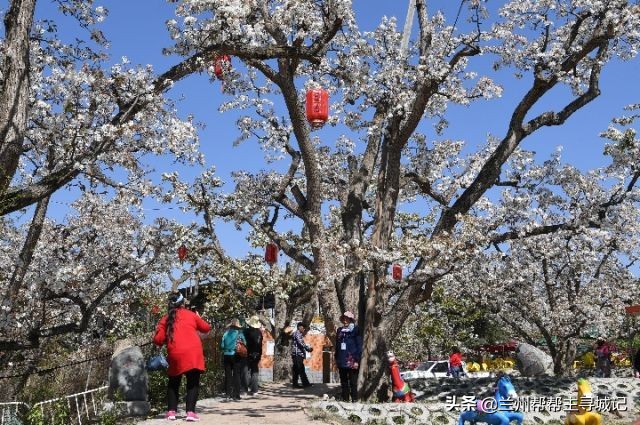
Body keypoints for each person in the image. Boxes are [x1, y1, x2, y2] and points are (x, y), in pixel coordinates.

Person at [153, 292, 211, 422]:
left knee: (173, 382)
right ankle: (190, 412)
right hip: (193, 352)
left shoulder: (165, 319)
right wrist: (198, 317)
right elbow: (206, 328)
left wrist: (159, 332)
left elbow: (158, 340)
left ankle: (171, 412)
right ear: (183, 303)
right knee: (193, 382)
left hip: (175, 353)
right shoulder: (191, 315)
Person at [335, 311, 362, 402]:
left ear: (351, 319)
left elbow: (359, 345)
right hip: (341, 359)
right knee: (343, 381)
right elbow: (337, 345)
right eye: (344, 318)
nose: (345, 320)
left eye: (347, 318)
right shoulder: (339, 330)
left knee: (353, 382)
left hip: (352, 359)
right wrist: (336, 358)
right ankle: (345, 399)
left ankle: (354, 399)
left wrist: (357, 360)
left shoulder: (356, 329)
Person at [221, 318, 247, 400]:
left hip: (226, 355)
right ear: (237, 326)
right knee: (236, 375)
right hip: (236, 355)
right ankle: (236, 395)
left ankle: (228, 394)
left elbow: (222, 346)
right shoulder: (239, 334)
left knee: (228, 375)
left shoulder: (225, 333)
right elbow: (245, 343)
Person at [244, 315, 263, 395]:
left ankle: (246, 388)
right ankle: (254, 390)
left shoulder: (247, 332)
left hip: (248, 353)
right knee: (255, 371)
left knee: (246, 370)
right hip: (257, 353)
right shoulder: (259, 332)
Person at [291, 322, 313, 388]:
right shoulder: (297, 333)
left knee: (296, 370)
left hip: (296, 354)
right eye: (303, 328)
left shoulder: (297, 333)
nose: (304, 330)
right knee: (301, 369)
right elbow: (300, 342)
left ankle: (295, 384)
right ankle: (305, 384)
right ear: (299, 327)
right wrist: (307, 348)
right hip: (298, 354)